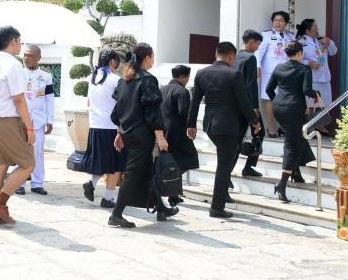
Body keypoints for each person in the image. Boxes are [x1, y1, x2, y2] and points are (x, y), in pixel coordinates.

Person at [187, 43, 260, 219]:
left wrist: (190, 125)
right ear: (230, 56)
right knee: (224, 165)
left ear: (216, 53)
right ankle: (217, 207)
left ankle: (221, 198)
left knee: (224, 162)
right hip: (228, 126)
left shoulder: (201, 73)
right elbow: (244, 103)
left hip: (211, 125)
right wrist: (255, 121)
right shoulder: (234, 74)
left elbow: (195, 101)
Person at [109, 44, 172, 228]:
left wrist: (120, 132)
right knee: (133, 173)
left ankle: (161, 207)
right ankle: (116, 214)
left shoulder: (124, 80)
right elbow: (153, 113)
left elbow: (117, 111)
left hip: (128, 133)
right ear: (147, 58)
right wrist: (160, 137)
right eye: (152, 56)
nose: (153, 60)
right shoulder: (147, 80)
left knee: (147, 170)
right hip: (141, 135)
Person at [0, 26, 35, 226]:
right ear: (13, 41)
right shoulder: (13, 64)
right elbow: (19, 99)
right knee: (28, 164)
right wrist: (30, 128)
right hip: (6, 121)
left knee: (0, 167)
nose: (21, 45)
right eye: (20, 41)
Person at [266, 41, 322, 203]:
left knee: (297, 137)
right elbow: (306, 90)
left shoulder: (278, 68)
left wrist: (278, 102)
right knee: (292, 144)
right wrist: (316, 94)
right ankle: (282, 184)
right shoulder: (304, 69)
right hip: (294, 108)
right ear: (299, 53)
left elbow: (269, 90)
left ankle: (296, 173)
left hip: (278, 108)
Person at [80, 49, 126, 208]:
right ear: (112, 61)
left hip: (95, 125)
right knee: (115, 164)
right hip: (111, 127)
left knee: (103, 161)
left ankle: (91, 184)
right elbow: (121, 106)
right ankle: (107, 198)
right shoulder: (115, 80)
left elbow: (88, 103)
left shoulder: (92, 78)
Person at [15, 44, 54, 196]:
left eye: (30, 55)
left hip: (38, 120)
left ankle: (37, 183)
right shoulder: (17, 73)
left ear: (38, 57)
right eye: (25, 55)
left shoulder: (45, 75)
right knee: (19, 151)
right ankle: (19, 182)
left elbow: (49, 99)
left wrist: (49, 119)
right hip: (19, 119)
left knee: (37, 152)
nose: (26, 58)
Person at [160, 65, 198, 208]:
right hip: (178, 133)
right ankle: (167, 181)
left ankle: (173, 195)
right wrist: (191, 126)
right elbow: (184, 112)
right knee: (190, 158)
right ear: (183, 77)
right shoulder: (182, 91)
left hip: (163, 132)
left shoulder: (162, 89)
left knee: (173, 162)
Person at [255, 11, 295, 137]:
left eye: (281, 20)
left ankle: (283, 127)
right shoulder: (266, 35)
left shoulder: (291, 37)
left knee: (287, 100)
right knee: (270, 99)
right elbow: (258, 53)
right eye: (275, 20)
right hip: (270, 73)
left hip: (288, 73)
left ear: (286, 23)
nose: (278, 23)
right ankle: (271, 128)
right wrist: (257, 66)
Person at [297, 19, 339, 128]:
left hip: (324, 77)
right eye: (315, 27)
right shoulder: (301, 42)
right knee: (310, 104)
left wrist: (330, 43)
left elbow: (333, 52)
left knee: (324, 103)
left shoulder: (321, 40)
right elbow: (295, 58)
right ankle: (310, 126)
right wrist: (308, 62)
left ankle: (320, 126)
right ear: (307, 30)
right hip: (312, 77)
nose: (317, 29)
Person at [235, 30, 264, 177]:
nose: (257, 48)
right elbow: (251, 85)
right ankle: (248, 167)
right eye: (257, 44)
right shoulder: (251, 58)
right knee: (259, 132)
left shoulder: (233, 57)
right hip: (247, 105)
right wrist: (255, 108)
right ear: (251, 42)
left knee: (236, 139)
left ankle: (241, 169)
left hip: (234, 105)